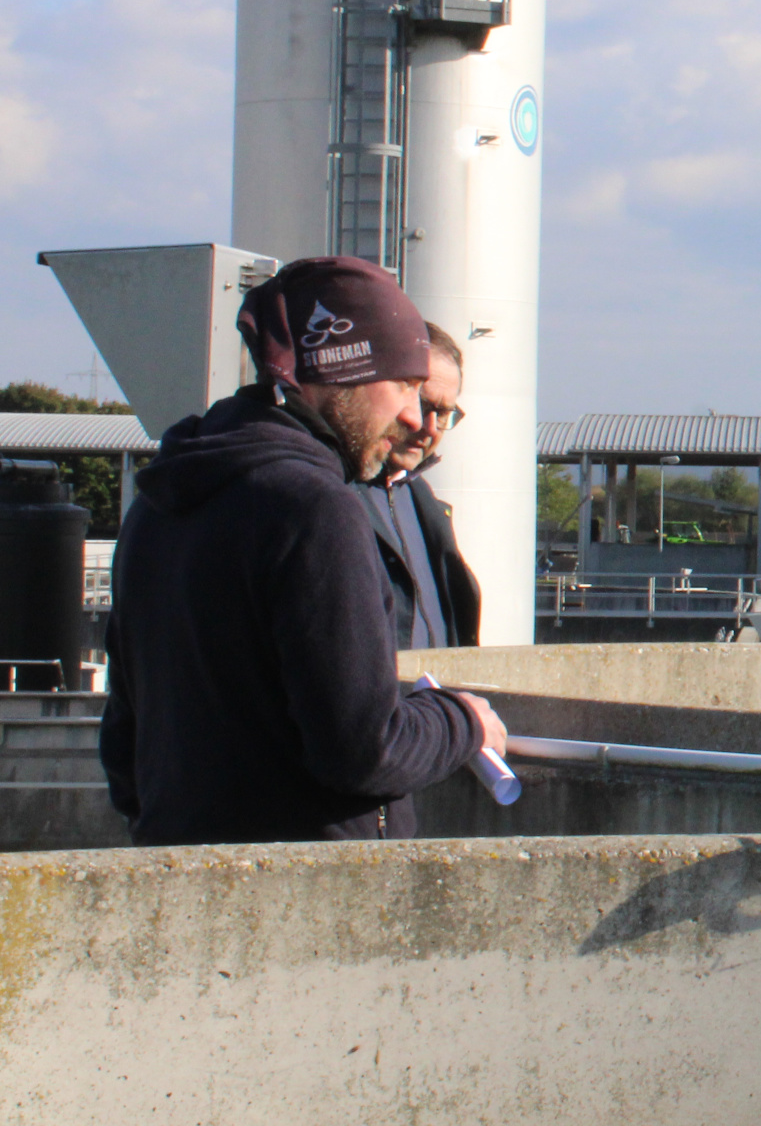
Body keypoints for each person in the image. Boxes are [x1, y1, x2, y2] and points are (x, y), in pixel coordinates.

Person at [99, 256, 507, 843]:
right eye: (406, 387)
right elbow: (366, 751)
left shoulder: (159, 503)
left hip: (180, 877)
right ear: (345, 372)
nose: (414, 418)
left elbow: (124, 743)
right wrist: (460, 720)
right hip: (312, 892)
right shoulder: (318, 509)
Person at [358, 322, 481, 650]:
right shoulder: (334, 495)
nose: (427, 428)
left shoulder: (422, 500)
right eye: (423, 405)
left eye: (443, 414)